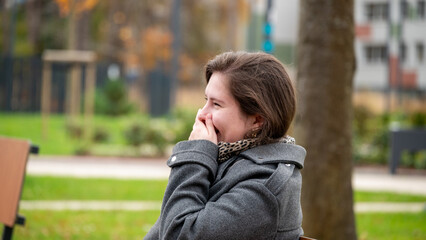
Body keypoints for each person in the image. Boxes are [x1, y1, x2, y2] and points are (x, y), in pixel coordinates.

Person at [144, 51, 306, 240]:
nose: (202, 114)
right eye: (206, 101)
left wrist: (197, 154)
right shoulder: (229, 161)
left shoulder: (267, 186)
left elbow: (177, 234)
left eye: (217, 104)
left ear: (257, 120)